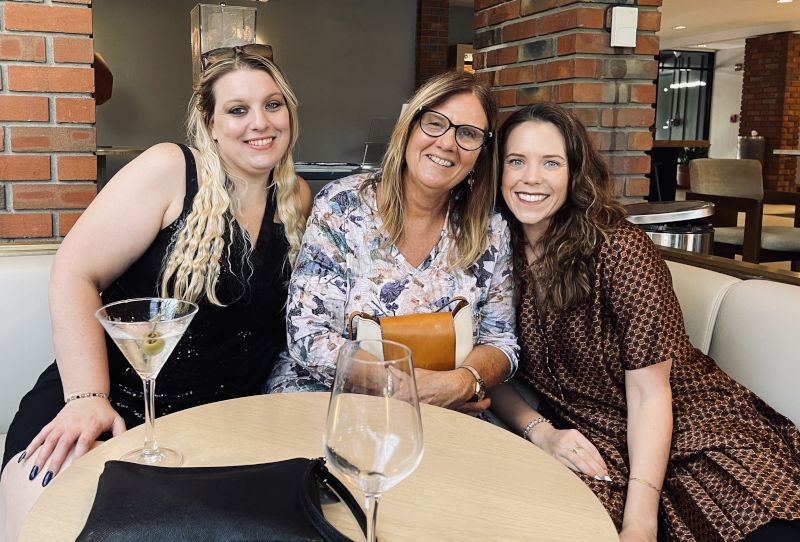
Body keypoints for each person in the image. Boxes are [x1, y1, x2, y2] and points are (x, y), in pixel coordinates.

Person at [1, 48, 311, 540]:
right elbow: (74, 272)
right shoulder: (171, 169)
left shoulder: (296, 199)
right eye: (237, 109)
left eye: (274, 105)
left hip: (221, 422)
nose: (261, 122)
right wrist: (86, 397)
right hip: (113, 401)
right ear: (209, 123)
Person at [490, 103, 800, 542]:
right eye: (516, 160)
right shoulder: (492, 250)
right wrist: (540, 433)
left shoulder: (620, 250)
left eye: (551, 162)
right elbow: (489, 363)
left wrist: (640, 521)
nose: (531, 178)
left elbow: (651, 392)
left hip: (692, 428)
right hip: (596, 446)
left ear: (574, 173)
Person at [265, 70, 518, 414]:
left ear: (481, 153)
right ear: (409, 128)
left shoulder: (490, 227)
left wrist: (458, 384)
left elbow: (500, 341)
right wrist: (407, 391)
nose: (447, 143)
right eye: (435, 123)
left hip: (445, 408)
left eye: (468, 134)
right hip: (326, 397)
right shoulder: (342, 204)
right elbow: (307, 334)